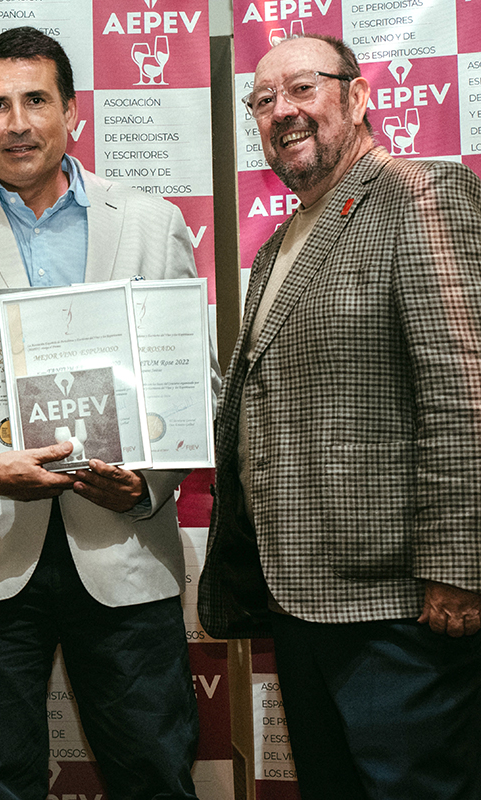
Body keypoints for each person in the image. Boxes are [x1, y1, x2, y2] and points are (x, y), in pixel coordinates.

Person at [0, 27, 217, 800]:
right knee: (1, 782)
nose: (17, 123)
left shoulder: (150, 221)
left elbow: (191, 375)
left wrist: (148, 485)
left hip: (125, 549)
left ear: (72, 113)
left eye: (36, 100)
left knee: (156, 775)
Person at [198, 34, 481, 799]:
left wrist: (458, 572)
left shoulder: (421, 193)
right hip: (300, 603)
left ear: (357, 97)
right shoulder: (277, 247)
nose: (281, 111)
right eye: (263, 100)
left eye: (302, 88)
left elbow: (464, 392)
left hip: (402, 611)